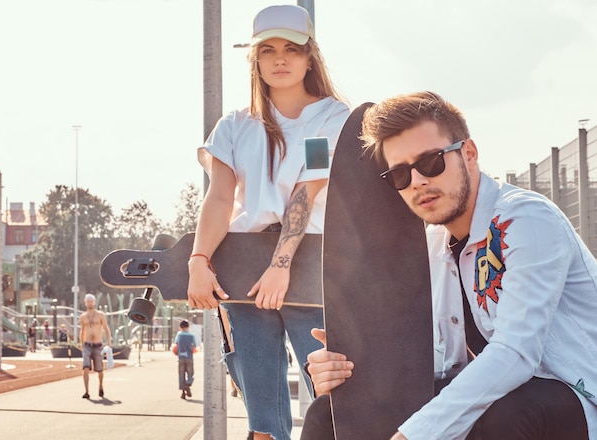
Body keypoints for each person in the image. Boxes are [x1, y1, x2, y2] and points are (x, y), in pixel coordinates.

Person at [302, 91, 596, 440]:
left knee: (507, 413)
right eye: (400, 175)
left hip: (577, 393)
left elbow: (516, 353)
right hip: (501, 398)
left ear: (468, 154)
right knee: (326, 414)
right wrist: (343, 368)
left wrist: (414, 433)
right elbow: (435, 364)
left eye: (431, 162)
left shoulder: (528, 220)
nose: (417, 182)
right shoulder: (433, 248)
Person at [187, 4, 350, 439]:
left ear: (309, 56)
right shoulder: (234, 126)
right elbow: (220, 196)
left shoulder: (331, 118)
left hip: (310, 267)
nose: (280, 59)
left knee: (330, 404)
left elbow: (308, 189)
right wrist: (199, 260)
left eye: (292, 49)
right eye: (268, 50)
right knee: (262, 416)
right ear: (255, 58)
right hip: (243, 266)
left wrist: (281, 266)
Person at [79, 293, 111, 399]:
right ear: (85, 303)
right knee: (86, 367)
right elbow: (82, 331)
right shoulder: (83, 317)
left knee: (100, 369)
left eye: (91, 301)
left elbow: (106, 328)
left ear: (94, 302)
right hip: (87, 345)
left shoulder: (100, 315)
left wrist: (109, 342)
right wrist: (81, 344)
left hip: (98, 345)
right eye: (88, 301)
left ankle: (101, 386)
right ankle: (86, 391)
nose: (90, 303)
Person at [174, 320, 197, 400]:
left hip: (181, 357)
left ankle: (183, 393)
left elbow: (176, 343)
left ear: (180, 327)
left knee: (181, 375)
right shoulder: (191, 335)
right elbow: (195, 345)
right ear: (188, 327)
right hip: (189, 357)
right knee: (190, 374)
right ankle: (188, 385)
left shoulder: (179, 335)